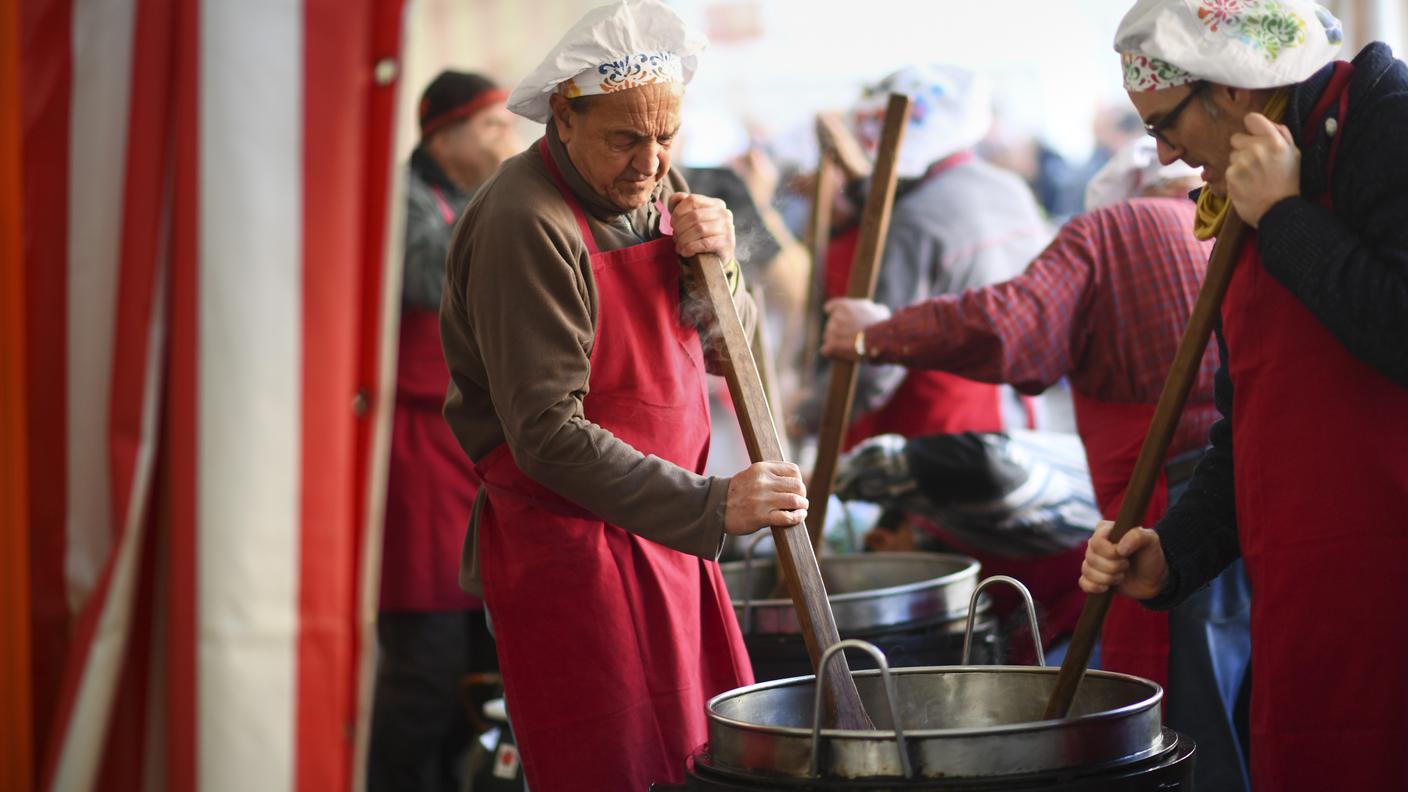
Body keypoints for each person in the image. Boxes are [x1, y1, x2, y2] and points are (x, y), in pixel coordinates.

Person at [438, 2, 809, 789]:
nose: (651, 162)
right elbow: (546, 434)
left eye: (667, 135)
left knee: (703, 760)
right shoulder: (524, 221)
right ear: (564, 119)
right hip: (576, 551)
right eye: (626, 139)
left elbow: (722, 346)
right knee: (615, 767)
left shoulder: (656, 186)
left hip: (666, 536)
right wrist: (712, 507)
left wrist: (721, 267)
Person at [823, 137, 1253, 790]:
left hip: (1165, 509)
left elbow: (1012, 323)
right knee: (1238, 695)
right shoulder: (1218, 227)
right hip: (1241, 496)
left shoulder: (1119, 226)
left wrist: (876, 331)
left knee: (1176, 723)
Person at [1078, 1, 1408, 789]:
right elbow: (1251, 418)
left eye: (1165, 124)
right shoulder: (1245, 193)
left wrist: (1288, 218)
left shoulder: (1383, 128)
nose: (1164, 155)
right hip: (1302, 604)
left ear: (1228, 90)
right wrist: (1176, 554)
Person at [369, 71, 520, 792]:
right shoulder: (399, 200)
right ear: (444, 135)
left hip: (477, 457)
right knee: (422, 676)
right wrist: (513, 210)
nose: (508, 141)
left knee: (482, 661)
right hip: (416, 459)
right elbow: (434, 276)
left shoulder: (472, 199)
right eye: (493, 126)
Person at [804, 65, 1052, 448]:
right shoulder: (1009, 188)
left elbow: (874, 356)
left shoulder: (916, 218)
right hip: (1020, 408)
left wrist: (807, 416)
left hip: (941, 425)